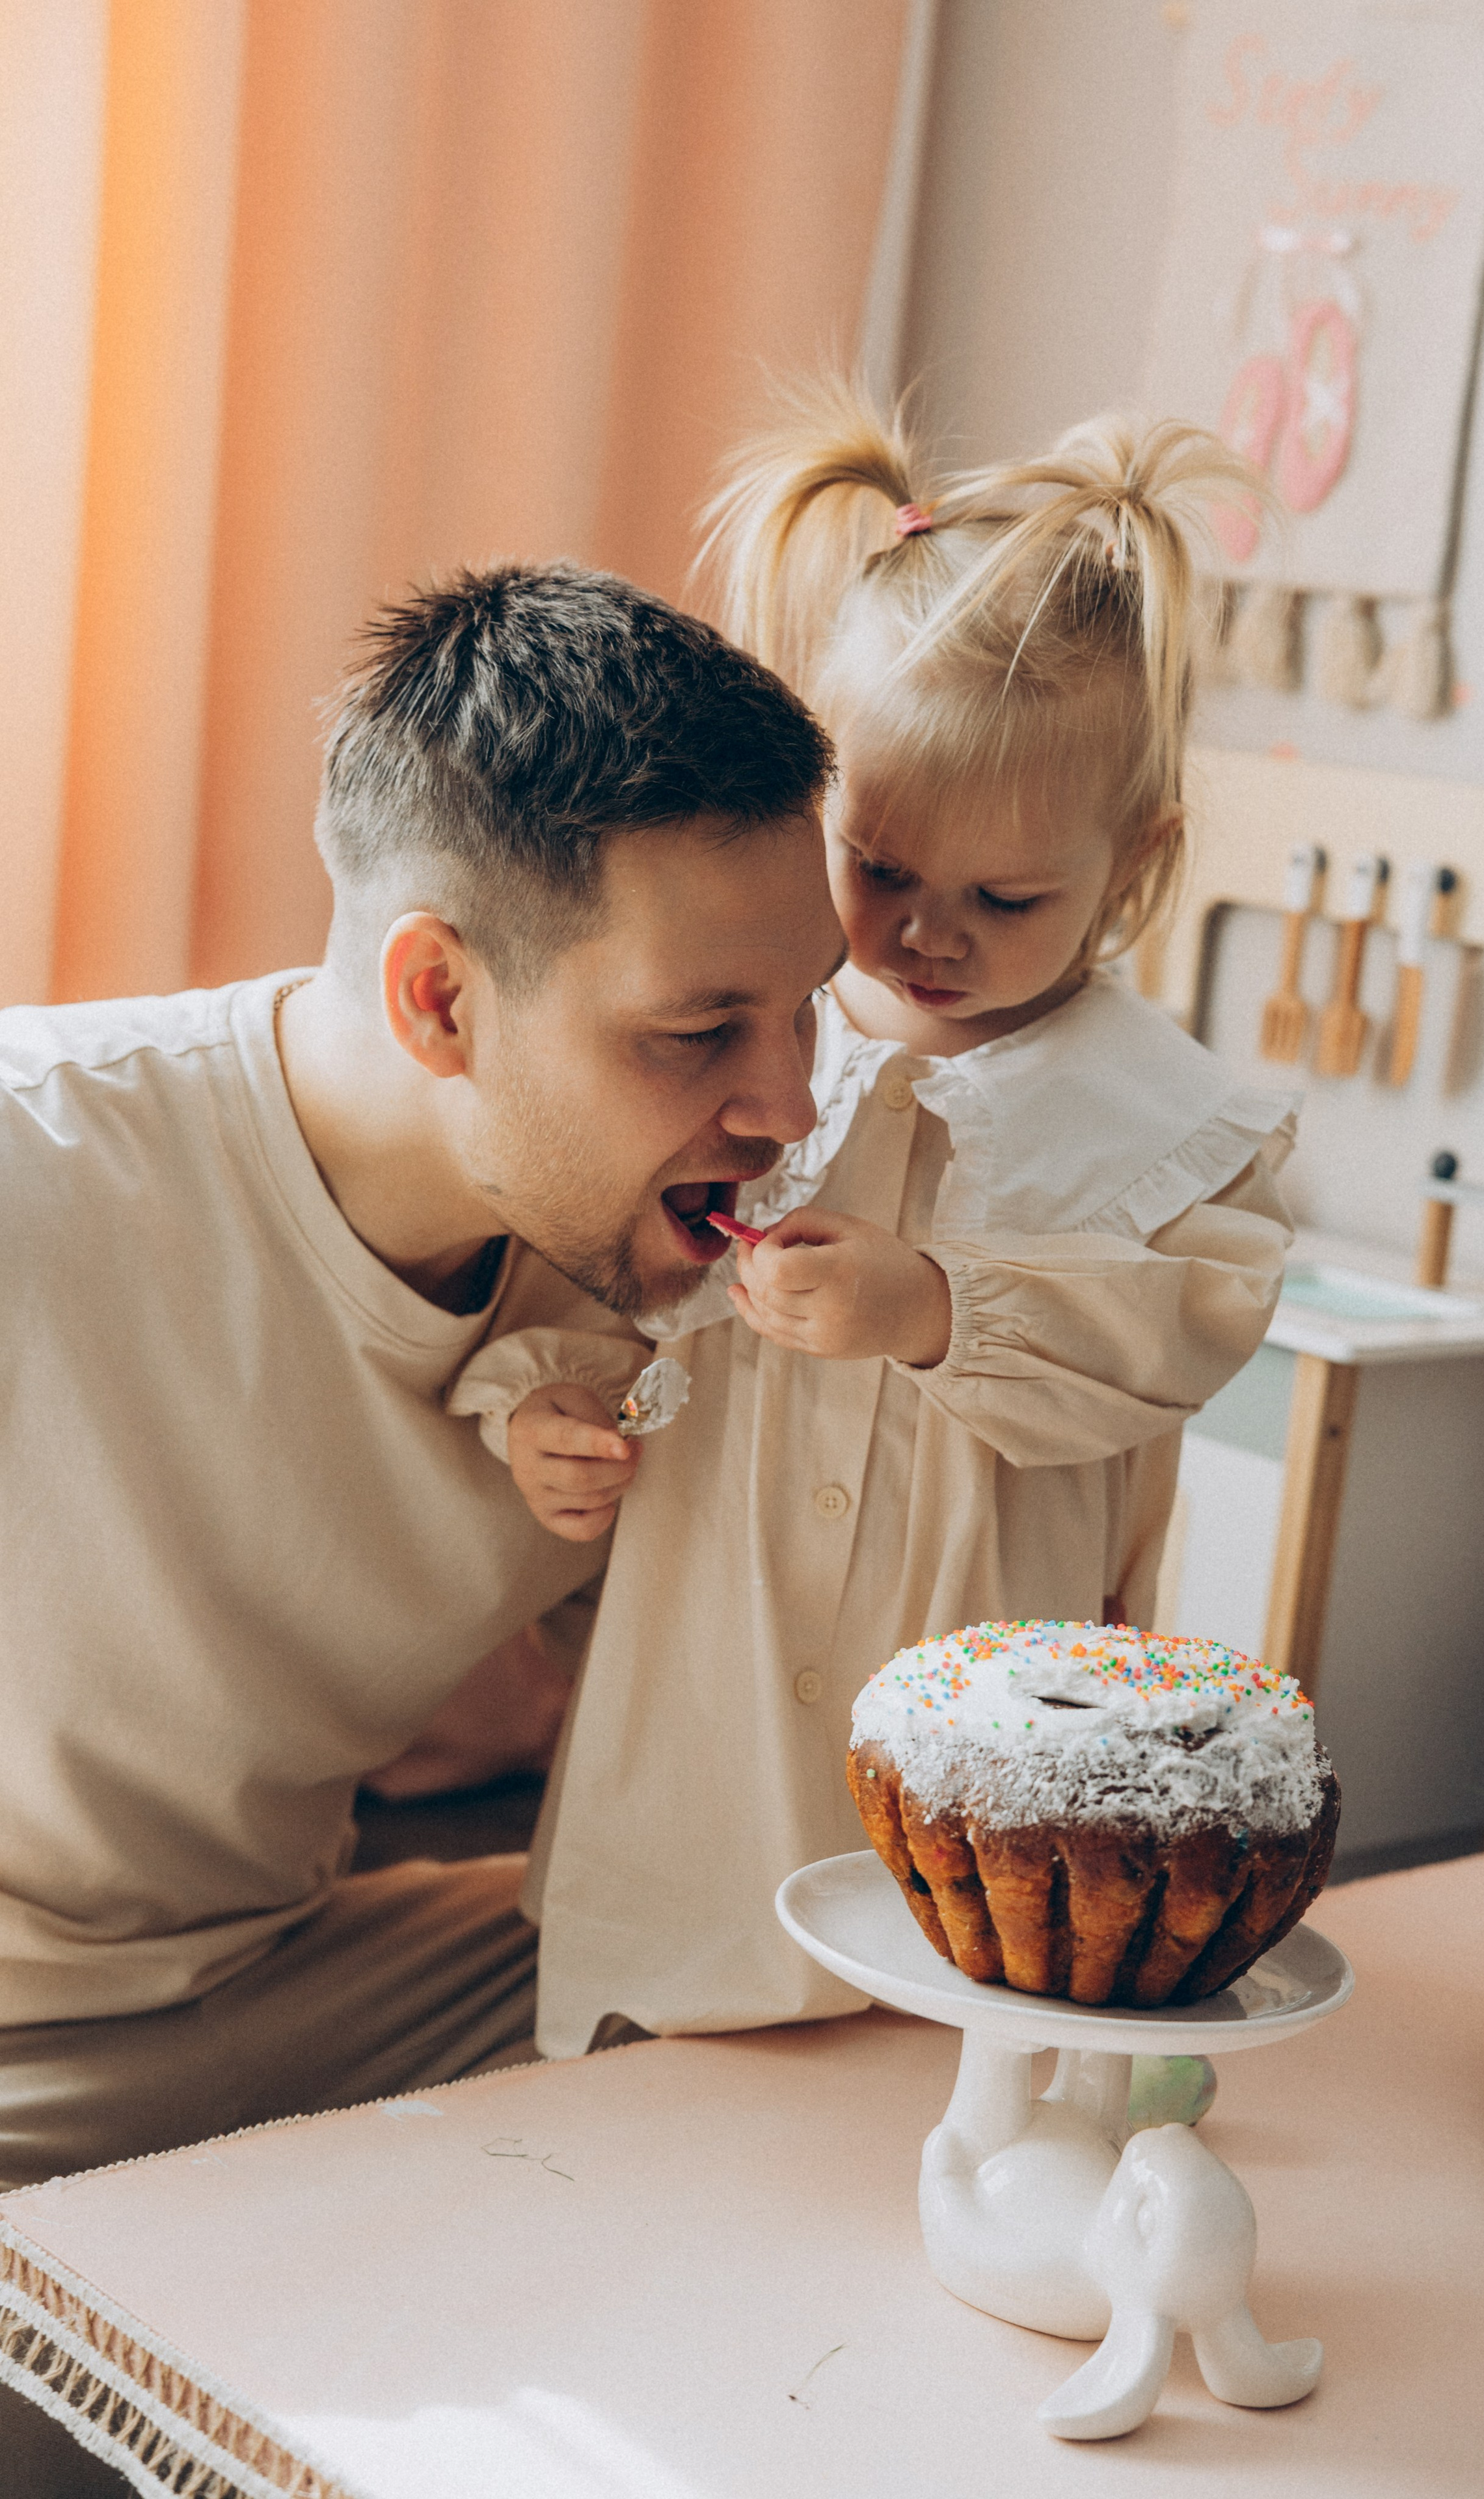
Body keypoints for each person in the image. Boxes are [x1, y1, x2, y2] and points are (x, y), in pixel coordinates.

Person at [456, 386, 1300, 2058]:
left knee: (938, 2035)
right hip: (709, 1666)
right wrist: (532, 1400)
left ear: (1132, 868)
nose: (925, 938)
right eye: (880, 871)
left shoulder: (1169, 1125)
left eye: (1007, 901)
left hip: (973, 1688)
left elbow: (1176, 1341)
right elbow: (611, 1263)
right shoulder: (756, 1051)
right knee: (663, 2024)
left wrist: (938, 1309)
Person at [0, 561, 843, 2190]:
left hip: (306, 1980)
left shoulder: (671, 1275)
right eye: (699, 1030)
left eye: (806, 1015)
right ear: (438, 997)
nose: (784, 1107)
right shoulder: (40, 1170)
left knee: (797, 2019)